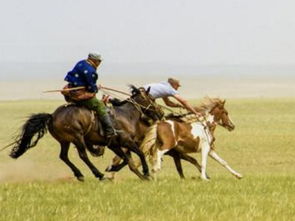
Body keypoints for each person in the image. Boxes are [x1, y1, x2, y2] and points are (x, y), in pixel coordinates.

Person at [63, 52, 116, 141]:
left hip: (71, 91)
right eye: (99, 61)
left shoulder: (81, 62)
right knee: (100, 106)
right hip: (79, 95)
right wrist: (96, 88)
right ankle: (109, 130)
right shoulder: (91, 71)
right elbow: (91, 88)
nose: (99, 63)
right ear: (94, 60)